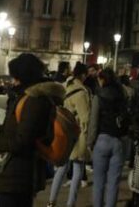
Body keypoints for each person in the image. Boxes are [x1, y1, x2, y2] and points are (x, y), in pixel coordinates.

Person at [0, 53, 61, 207]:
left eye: (15, 76)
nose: (13, 81)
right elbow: (22, 129)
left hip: (19, 175)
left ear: (23, 76)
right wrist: (0, 128)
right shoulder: (25, 97)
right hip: (15, 173)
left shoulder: (33, 100)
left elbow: (22, 141)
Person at [48, 63, 91, 207]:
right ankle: (70, 204)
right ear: (83, 75)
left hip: (63, 131)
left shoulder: (64, 86)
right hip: (77, 134)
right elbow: (85, 118)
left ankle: (51, 201)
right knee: (78, 169)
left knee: (61, 168)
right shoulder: (81, 92)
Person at [88, 68, 128, 207]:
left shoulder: (98, 97)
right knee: (113, 182)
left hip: (101, 139)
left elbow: (93, 122)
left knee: (98, 182)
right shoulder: (122, 96)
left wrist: (90, 142)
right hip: (118, 141)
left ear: (103, 79)